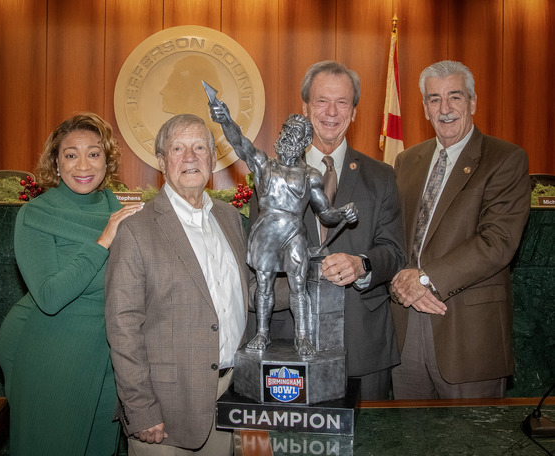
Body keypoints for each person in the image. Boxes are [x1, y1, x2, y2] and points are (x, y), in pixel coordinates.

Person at [254, 60, 405, 400]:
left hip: (363, 344)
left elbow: (394, 251)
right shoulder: (272, 175)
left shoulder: (381, 176)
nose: (331, 112)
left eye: (342, 102)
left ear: (354, 110)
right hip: (288, 344)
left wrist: (362, 264)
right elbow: (259, 254)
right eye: (322, 101)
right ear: (304, 107)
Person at [0, 112, 143, 455]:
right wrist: (103, 241)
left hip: (105, 348)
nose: (83, 165)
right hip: (49, 344)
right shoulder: (36, 214)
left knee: (99, 447)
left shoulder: (115, 209)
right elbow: (50, 296)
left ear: (107, 161)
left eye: (93, 153)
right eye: (70, 154)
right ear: (56, 163)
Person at [105, 114, 249, 456]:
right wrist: (140, 407)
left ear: (214, 160)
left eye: (200, 147)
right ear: (161, 161)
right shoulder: (137, 230)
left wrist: (315, 278)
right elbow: (122, 326)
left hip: (230, 397)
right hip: (164, 412)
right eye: (178, 148)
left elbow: (245, 293)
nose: (190, 157)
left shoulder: (230, 219)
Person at [390, 60, 530, 399]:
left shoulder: (505, 158)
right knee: (408, 443)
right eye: (435, 99)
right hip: (406, 327)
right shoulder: (407, 160)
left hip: (468, 333)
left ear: (473, 102)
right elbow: (392, 234)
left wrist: (424, 279)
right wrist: (398, 282)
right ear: (425, 108)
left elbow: (497, 242)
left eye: (455, 96)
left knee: (471, 442)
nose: (446, 108)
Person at [210, 102, 357, 357]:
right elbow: (240, 143)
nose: (288, 136)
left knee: (299, 286)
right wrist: (225, 120)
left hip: (293, 236)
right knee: (264, 285)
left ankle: (301, 337)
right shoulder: (263, 165)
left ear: (305, 141)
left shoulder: (311, 176)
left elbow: (326, 213)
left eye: (295, 133)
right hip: (266, 233)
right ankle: (263, 333)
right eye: (286, 130)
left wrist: (343, 212)